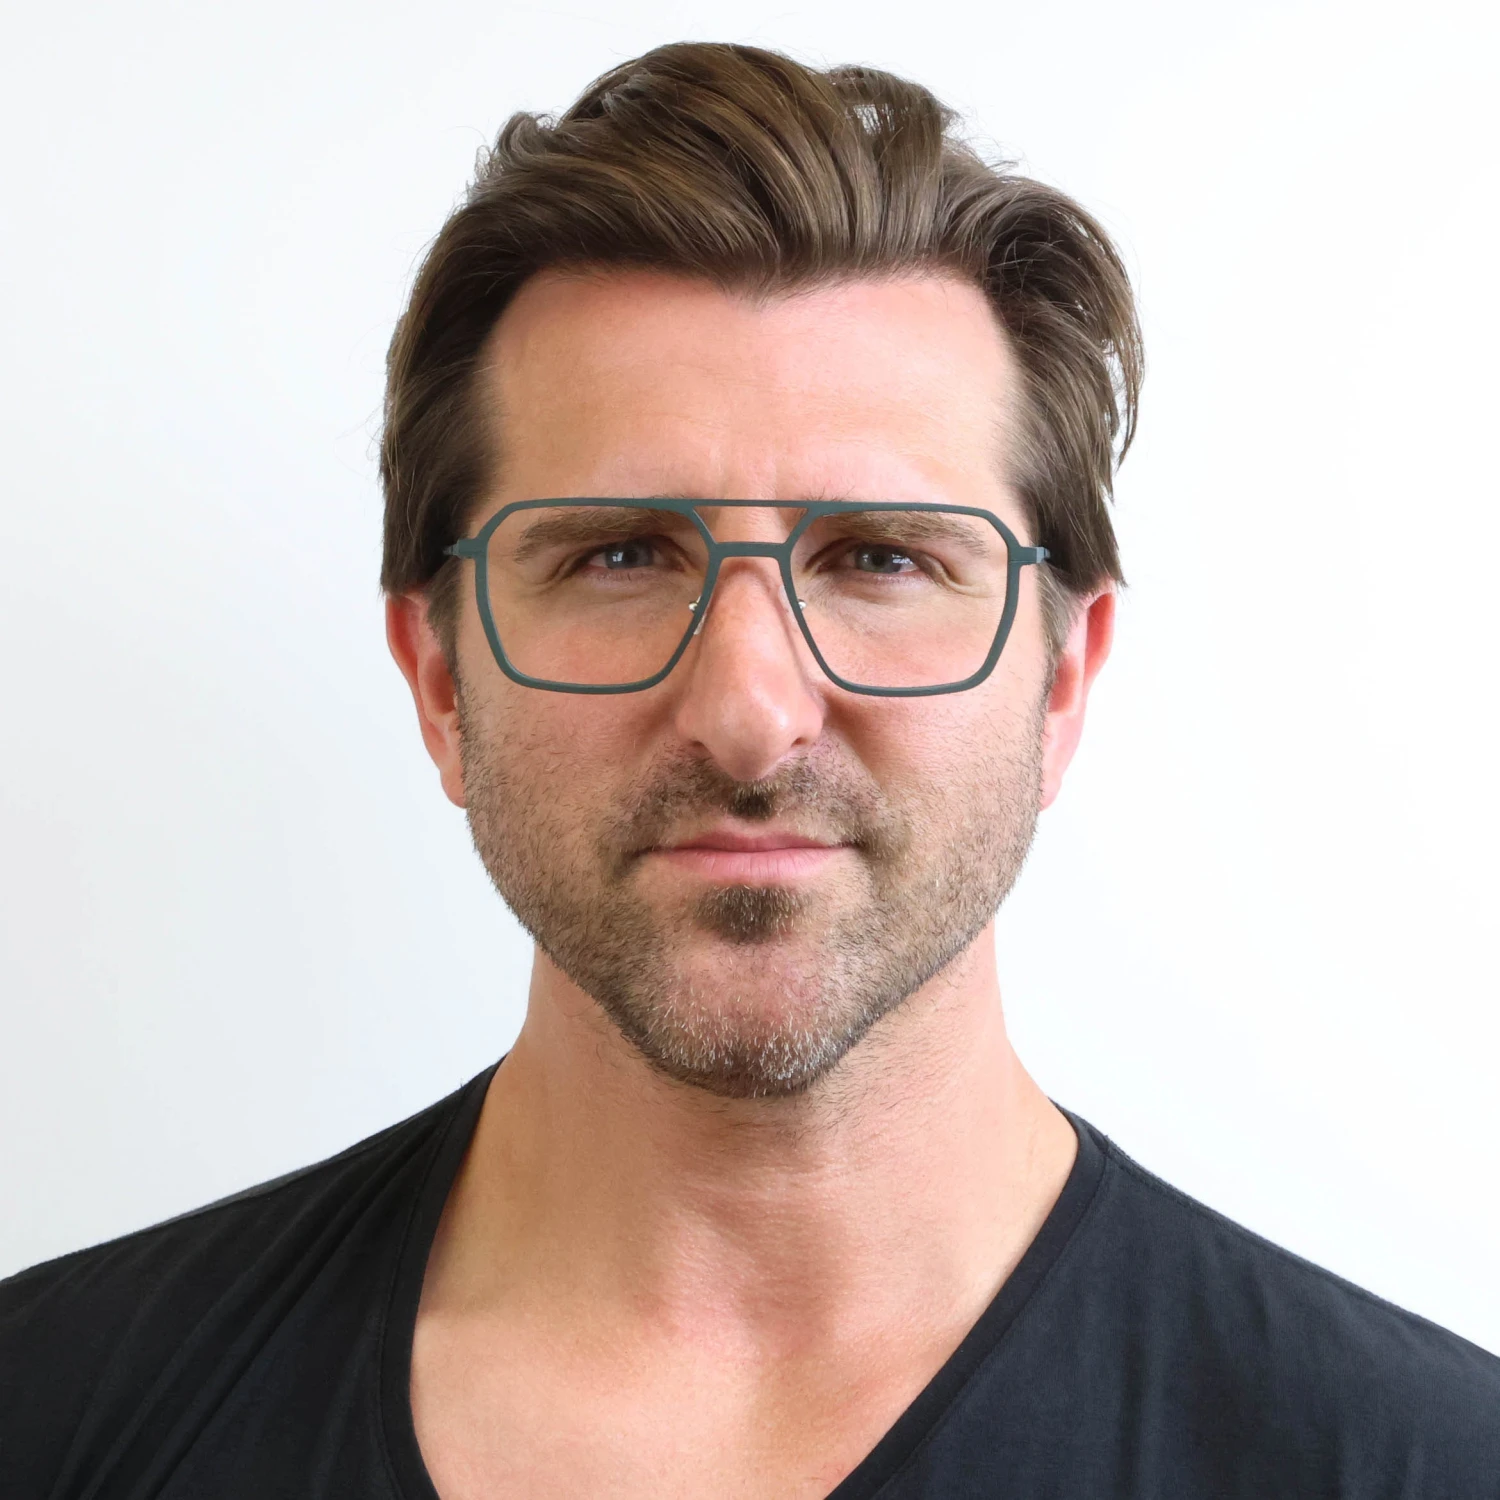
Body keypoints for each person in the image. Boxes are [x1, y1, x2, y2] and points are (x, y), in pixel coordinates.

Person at [2, 39, 1496, 1500]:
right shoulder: (49, 1413)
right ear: (442, 679)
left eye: (882, 558)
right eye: (619, 555)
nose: (750, 712)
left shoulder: (1423, 1463)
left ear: (1061, 680)